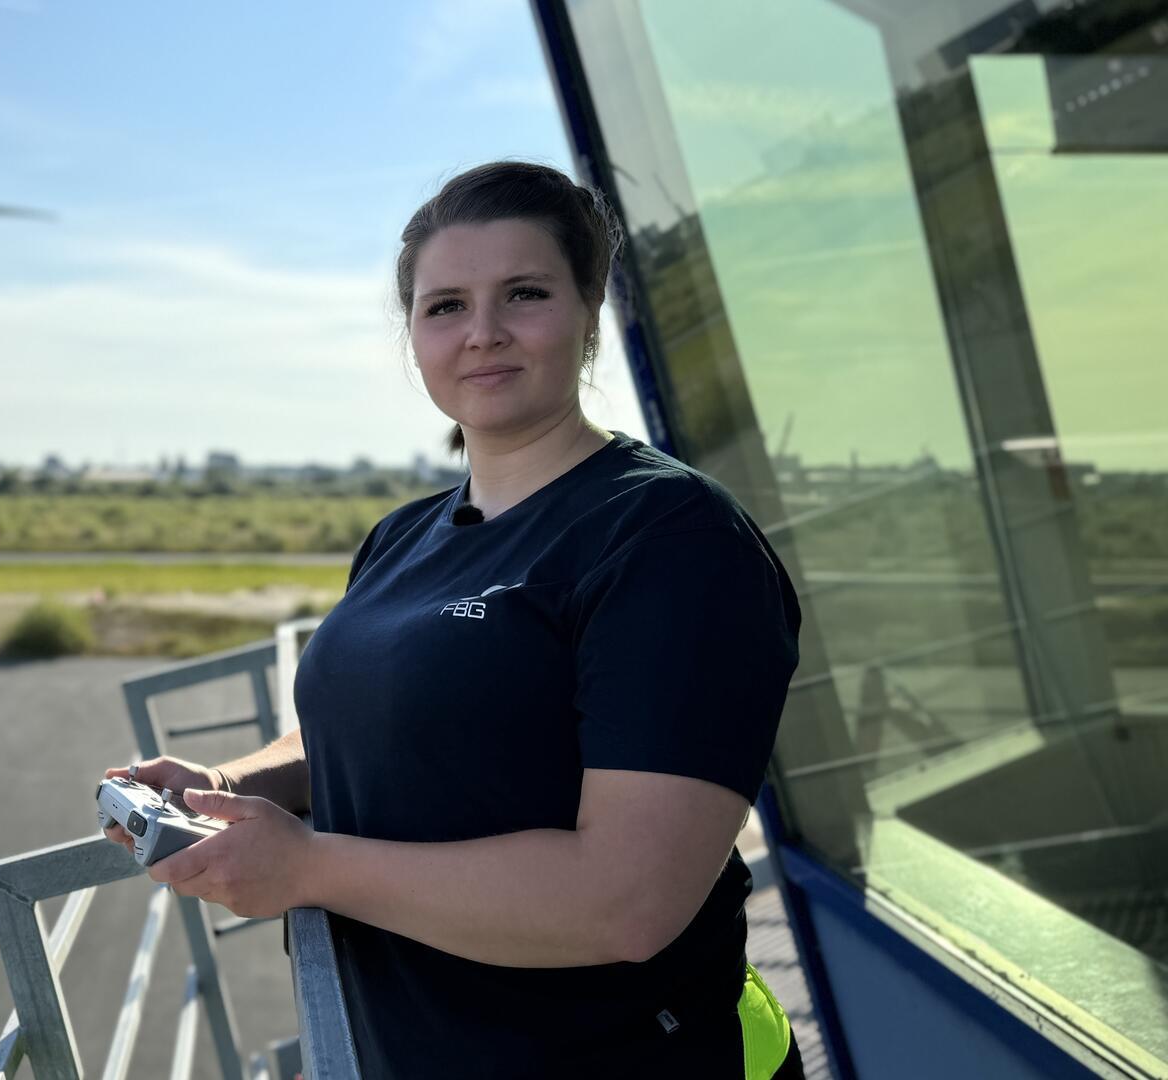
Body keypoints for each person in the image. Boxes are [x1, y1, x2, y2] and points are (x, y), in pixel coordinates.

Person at [100, 160, 805, 1079]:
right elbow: (380, 730)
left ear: (588, 309)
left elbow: (628, 901)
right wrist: (227, 782)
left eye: (524, 293)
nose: (483, 334)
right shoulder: (402, 536)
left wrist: (308, 868)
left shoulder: (670, 538)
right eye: (445, 307)